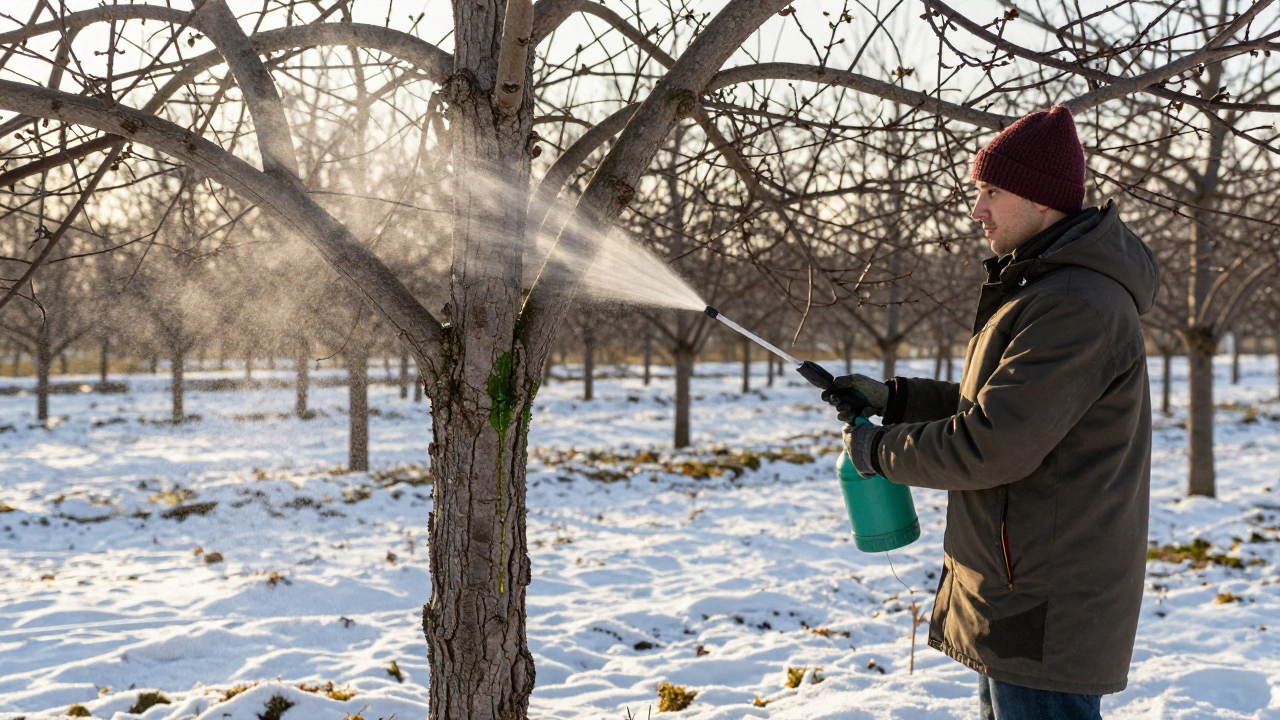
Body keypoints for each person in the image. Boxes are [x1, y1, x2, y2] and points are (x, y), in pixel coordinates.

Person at [828, 106, 1159, 720]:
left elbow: (992, 445)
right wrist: (896, 401)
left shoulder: (1073, 304)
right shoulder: (1046, 290)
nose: (977, 210)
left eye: (991, 191)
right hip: (1018, 588)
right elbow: (1002, 408)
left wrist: (879, 452)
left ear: (1038, 199)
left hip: (1043, 601)